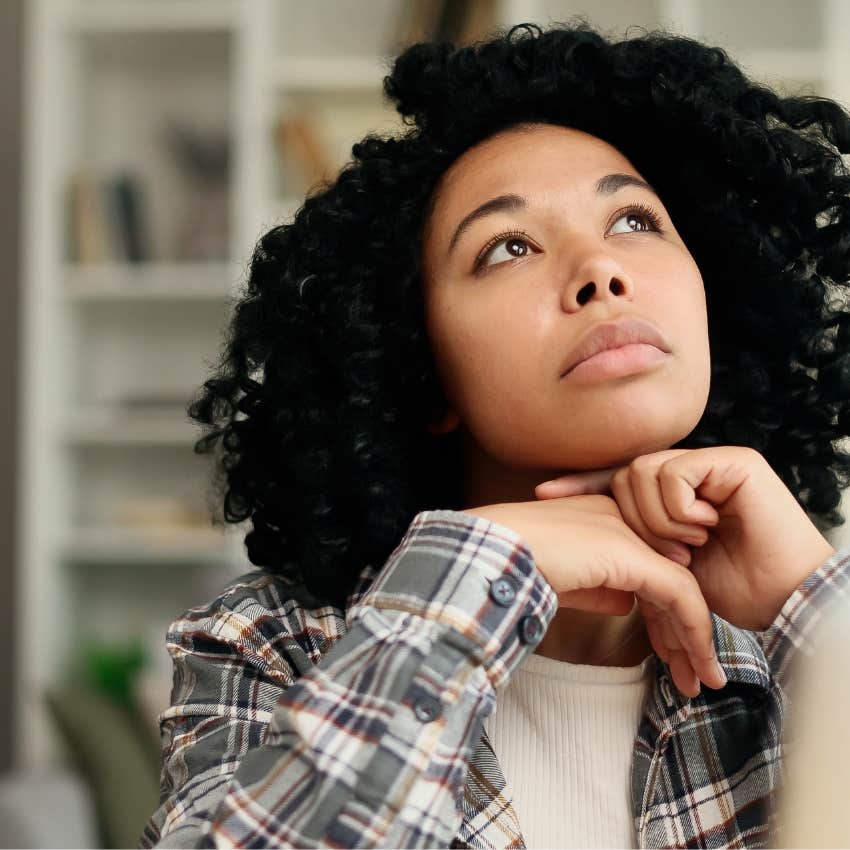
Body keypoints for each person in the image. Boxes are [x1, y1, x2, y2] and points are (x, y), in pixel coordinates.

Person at [140, 19, 850, 849]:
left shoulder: (795, 642)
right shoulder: (272, 648)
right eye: (508, 247)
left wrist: (818, 611)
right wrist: (478, 575)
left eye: (633, 221)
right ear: (421, 368)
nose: (600, 270)